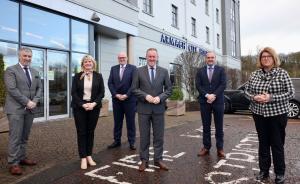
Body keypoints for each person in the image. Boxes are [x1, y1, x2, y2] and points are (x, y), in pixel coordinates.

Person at [244, 47, 294, 184]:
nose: (265, 58)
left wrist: (270, 97)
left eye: (268, 56)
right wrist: (254, 97)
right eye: (263, 56)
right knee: (263, 143)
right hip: (259, 114)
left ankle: (279, 173)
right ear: (260, 59)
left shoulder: (282, 73)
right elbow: (246, 91)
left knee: (277, 144)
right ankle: (264, 171)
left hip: (277, 114)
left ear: (274, 58)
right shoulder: (254, 74)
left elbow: (290, 93)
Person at [132, 48, 172, 172]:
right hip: (143, 109)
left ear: (157, 57)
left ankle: (158, 159)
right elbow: (134, 89)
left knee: (159, 136)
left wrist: (160, 98)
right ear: (146, 57)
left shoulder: (164, 71)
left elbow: (169, 90)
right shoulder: (138, 71)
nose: (152, 59)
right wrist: (146, 96)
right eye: (149, 56)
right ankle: (144, 160)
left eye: (154, 56)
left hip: (158, 109)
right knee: (144, 136)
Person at [4, 47, 42, 175]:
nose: (27, 58)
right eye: (25, 56)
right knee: (15, 137)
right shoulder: (11, 70)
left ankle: (22, 157)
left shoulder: (35, 71)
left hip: (30, 110)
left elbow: (39, 89)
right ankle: (13, 163)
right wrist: (27, 102)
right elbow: (12, 89)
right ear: (19, 56)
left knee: (24, 136)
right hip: (16, 109)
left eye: (29, 56)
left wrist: (35, 101)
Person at [71, 55, 105, 170]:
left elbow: (101, 93)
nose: (88, 63)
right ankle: (83, 157)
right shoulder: (77, 76)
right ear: (83, 64)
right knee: (81, 132)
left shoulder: (98, 76)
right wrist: (82, 104)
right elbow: (73, 93)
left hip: (94, 107)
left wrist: (94, 104)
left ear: (93, 63)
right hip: (80, 107)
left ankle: (89, 155)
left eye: (90, 61)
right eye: (86, 62)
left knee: (90, 132)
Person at [195, 51, 226, 158]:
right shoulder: (200, 71)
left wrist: (214, 95)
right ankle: (206, 147)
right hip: (205, 101)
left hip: (218, 102)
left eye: (212, 57)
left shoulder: (221, 70)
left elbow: (223, 85)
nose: (210, 59)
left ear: (215, 58)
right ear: (205, 59)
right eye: (208, 57)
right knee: (206, 126)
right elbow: (198, 85)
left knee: (219, 126)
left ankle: (220, 148)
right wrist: (207, 95)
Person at [107, 52, 137, 150]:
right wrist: (115, 94)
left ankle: (132, 142)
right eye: (120, 57)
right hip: (117, 100)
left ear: (127, 58)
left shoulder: (133, 68)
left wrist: (126, 95)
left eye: (123, 57)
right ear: (118, 58)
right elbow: (110, 83)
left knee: (130, 122)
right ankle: (117, 141)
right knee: (117, 122)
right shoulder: (113, 68)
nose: (122, 59)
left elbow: (134, 84)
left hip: (130, 100)